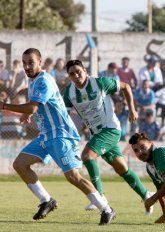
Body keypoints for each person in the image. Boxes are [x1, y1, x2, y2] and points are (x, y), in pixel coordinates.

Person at [0, 48, 115, 225]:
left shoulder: (44, 80)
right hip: (46, 135)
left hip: (61, 135)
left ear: (40, 62)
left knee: (73, 177)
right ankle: (47, 200)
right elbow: (37, 107)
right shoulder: (32, 81)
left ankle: (106, 208)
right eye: (24, 62)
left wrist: (4, 106)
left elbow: (32, 107)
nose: (27, 66)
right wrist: (28, 115)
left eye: (31, 62)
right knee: (20, 164)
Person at [63, 59, 154, 213]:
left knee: (87, 156)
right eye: (72, 74)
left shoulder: (100, 83)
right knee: (122, 169)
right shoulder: (69, 93)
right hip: (97, 134)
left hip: (110, 129)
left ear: (84, 70)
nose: (76, 75)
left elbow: (125, 86)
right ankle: (147, 195)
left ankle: (99, 196)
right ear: (69, 76)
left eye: (78, 71)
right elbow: (63, 113)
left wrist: (132, 109)